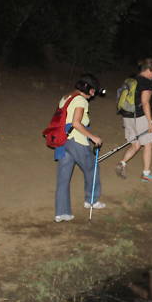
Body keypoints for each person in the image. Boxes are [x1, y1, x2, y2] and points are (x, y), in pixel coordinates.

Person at [54, 74, 105, 222]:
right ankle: (92, 200)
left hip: (63, 140)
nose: (93, 94)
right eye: (93, 90)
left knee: (63, 177)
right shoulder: (81, 100)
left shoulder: (66, 97)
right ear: (89, 89)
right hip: (76, 140)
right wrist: (92, 137)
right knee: (92, 169)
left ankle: (62, 212)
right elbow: (76, 123)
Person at [115, 58, 152, 182]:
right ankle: (146, 174)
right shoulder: (146, 83)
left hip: (127, 115)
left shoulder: (132, 79)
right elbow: (145, 103)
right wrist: (150, 122)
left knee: (136, 144)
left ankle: (122, 163)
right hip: (140, 117)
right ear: (148, 70)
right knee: (148, 143)